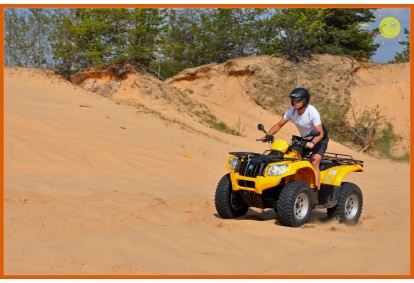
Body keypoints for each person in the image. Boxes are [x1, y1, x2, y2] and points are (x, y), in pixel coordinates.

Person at [262, 87, 329, 189]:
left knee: (314, 161)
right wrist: (268, 135)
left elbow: (320, 132)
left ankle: (315, 191)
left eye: (298, 100)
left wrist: (313, 143)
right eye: (293, 100)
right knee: (291, 157)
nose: (295, 103)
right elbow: (279, 125)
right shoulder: (291, 111)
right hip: (304, 139)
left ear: (305, 101)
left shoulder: (312, 112)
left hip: (319, 138)